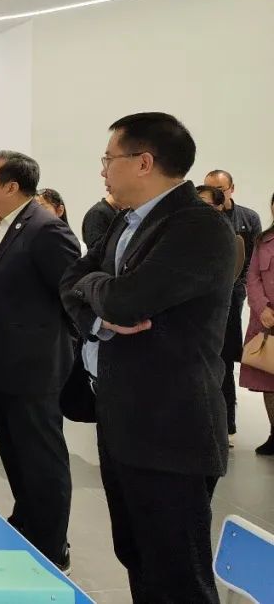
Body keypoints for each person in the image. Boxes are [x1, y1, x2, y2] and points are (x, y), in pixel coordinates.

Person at [61, 113, 236, 604]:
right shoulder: (127, 221)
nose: (102, 170)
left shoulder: (198, 227)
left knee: (177, 576)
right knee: (137, 556)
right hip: (122, 416)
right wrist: (99, 305)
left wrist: (97, 289)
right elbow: (70, 281)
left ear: (143, 162)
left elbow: (125, 301)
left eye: (108, 159)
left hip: (171, 429)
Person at [0, 151, 80, 572]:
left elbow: (73, 295)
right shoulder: (4, 225)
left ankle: (52, 545)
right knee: (15, 452)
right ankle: (26, 522)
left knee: (41, 457)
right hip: (0, 361)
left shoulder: (45, 229)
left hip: (32, 366)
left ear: (12, 186)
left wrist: (47, 342)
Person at [204, 169, 263, 443]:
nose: (215, 194)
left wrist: (241, 286)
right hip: (202, 299)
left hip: (232, 296)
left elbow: (255, 259)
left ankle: (227, 425)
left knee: (225, 358)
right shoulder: (197, 218)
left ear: (231, 189)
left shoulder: (248, 219)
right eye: (209, 188)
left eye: (220, 189)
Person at [241, 191, 274, 456]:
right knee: (268, 381)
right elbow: (252, 277)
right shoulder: (263, 240)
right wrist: (262, 307)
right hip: (267, 321)